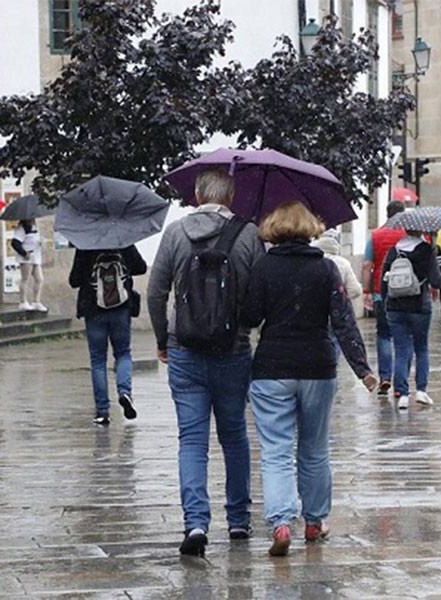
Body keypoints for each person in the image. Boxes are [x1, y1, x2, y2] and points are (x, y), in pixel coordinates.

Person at [242, 203, 376, 557]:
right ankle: (315, 521)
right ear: (310, 228)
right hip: (318, 366)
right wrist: (362, 369)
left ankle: (282, 522)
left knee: (276, 451)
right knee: (315, 449)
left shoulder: (263, 267)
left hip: (272, 368)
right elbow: (344, 322)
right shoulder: (327, 269)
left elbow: (250, 317)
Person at [147, 168, 265, 557]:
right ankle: (238, 520)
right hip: (233, 352)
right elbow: (256, 299)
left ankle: (196, 523)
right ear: (230, 197)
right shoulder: (248, 235)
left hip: (185, 351)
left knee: (192, 440)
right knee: (234, 437)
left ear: (198, 195)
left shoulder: (176, 233)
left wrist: (164, 338)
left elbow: (155, 291)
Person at [69, 244, 146, 426]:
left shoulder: (85, 243)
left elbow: (74, 280)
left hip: (93, 310)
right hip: (121, 309)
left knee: (98, 360)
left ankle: (102, 411)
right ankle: (124, 392)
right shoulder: (123, 241)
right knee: (123, 353)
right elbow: (141, 267)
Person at [381, 229, 441, 410]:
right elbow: (437, 281)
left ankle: (402, 394)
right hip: (419, 307)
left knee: (401, 350)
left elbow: (383, 280)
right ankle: (422, 391)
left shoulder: (394, 250)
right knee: (421, 348)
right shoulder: (425, 250)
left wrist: (386, 303)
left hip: (395, 307)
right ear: (420, 230)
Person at [361, 201, 407, 396]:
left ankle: (385, 377)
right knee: (404, 338)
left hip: (381, 292)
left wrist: (367, 292)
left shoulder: (376, 236)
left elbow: (366, 265)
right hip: (405, 293)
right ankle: (400, 384)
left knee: (383, 335)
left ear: (387, 214)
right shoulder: (408, 235)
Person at [11, 219, 48, 313]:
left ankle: (36, 301)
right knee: (25, 279)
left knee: (39, 279)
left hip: (36, 257)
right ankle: (23, 301)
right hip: (26, 258)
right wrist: (24, 253)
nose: (33, 220)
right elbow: (15, 243)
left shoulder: (35, 228)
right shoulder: (21, 229)